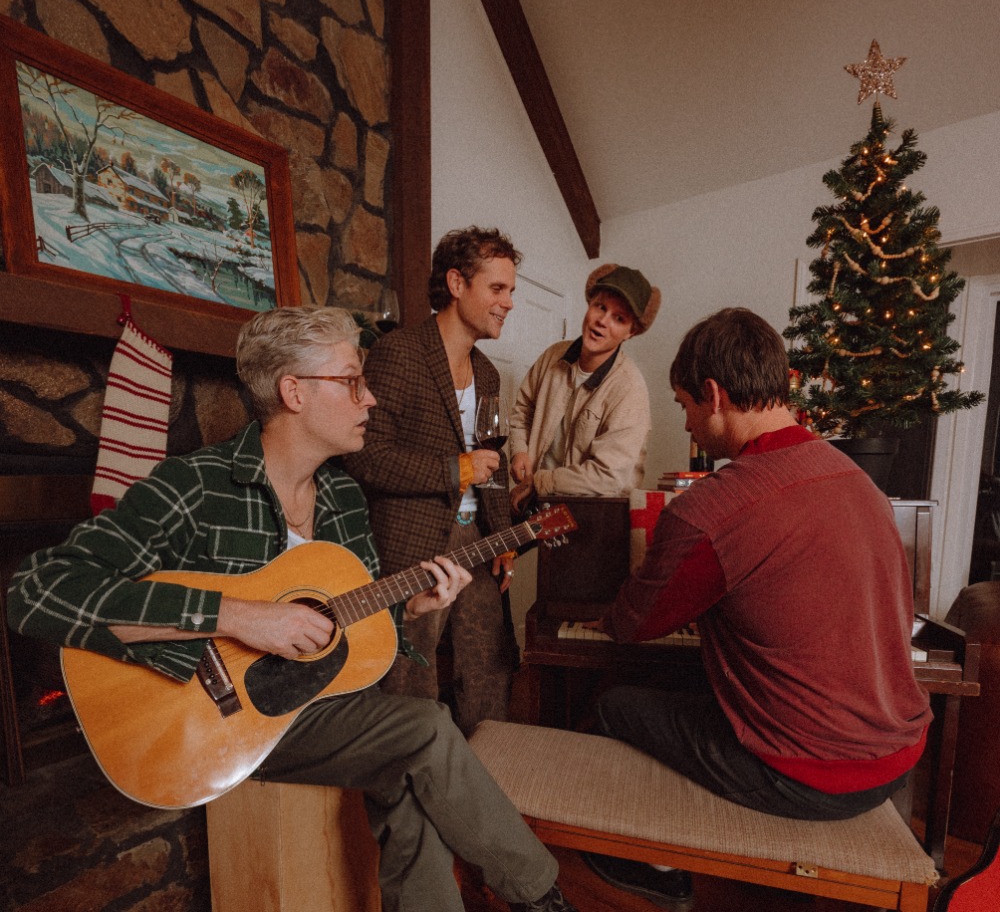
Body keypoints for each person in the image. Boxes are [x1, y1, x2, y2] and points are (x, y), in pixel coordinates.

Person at [7, 305, 576, 912]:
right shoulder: (195, 486)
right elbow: (36, 589)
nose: (371, 400)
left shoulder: (342, 496)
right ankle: (542, 896)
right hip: (215, 722)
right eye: (352, 381)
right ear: (293, 392)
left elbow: (345, 628)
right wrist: (237, 616)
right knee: (429, 726)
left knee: (407, 771)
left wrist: (410, 608)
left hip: (311, 704)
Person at [582, 307, 933, 906]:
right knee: (696, 695)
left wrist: (608, 617)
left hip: (811, 774)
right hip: (901, 756)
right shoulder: (859, 481)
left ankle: (658, 872)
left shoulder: (714, 506)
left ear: (714, 395)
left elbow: (636, 625)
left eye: (684, 404)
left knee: (613, 706)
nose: (687, 422)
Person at [343, 226, 520, 735]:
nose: (508, 302)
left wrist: (501, 533)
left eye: (512, 291)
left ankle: (488, 777)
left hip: (477, 542)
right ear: (457, 283)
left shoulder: (487, 373)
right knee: (408, 675)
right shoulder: (401, 353)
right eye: (498, 288)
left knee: (489, 667)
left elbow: (495, 462)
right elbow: (366, 456)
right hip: (412, 547)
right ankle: (412, 775)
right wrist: (453, 470)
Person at [509, 263, 659, 514]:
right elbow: (523, 408)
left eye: (618, 318)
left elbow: (607, 477)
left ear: (630, 332)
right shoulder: (553, 356)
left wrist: (539, 482)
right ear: (589, 304)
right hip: (536, 505)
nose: (602, 321)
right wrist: (519, 450)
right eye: (601, 307)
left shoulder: (630, 389)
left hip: (595, 520)